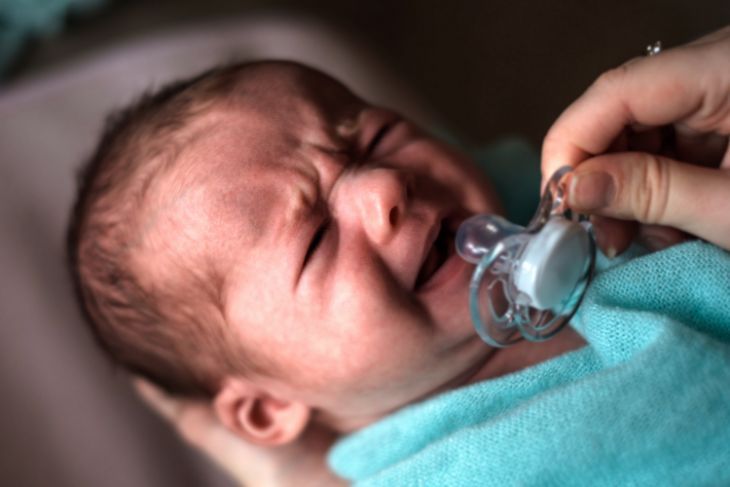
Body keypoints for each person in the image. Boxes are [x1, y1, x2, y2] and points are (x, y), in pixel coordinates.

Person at [68, 26, 730, 486]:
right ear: (269, 410)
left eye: (375, 138)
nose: (384, 186)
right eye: (316, 241)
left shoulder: (570, 201)